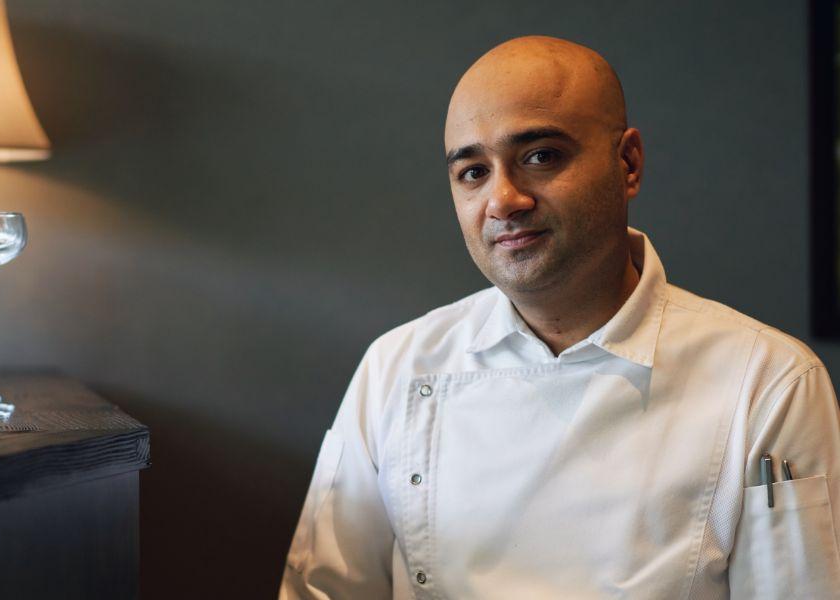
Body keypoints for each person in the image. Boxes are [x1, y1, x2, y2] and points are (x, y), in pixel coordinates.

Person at [279, 36, 840, 599]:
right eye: (473, 172)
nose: (503, 200)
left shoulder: (768, 383)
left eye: (540, 157)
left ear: (628, 164)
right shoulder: (396, 368)